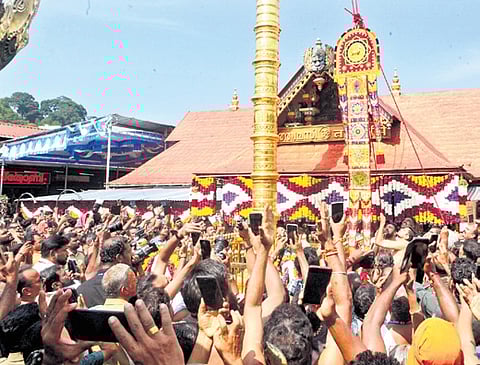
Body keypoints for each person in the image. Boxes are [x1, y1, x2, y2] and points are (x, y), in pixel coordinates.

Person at [77, 236, 132, 308]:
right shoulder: (126, 285)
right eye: (129, 252)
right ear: (119, 258)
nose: (132, 256)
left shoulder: (81, 289)